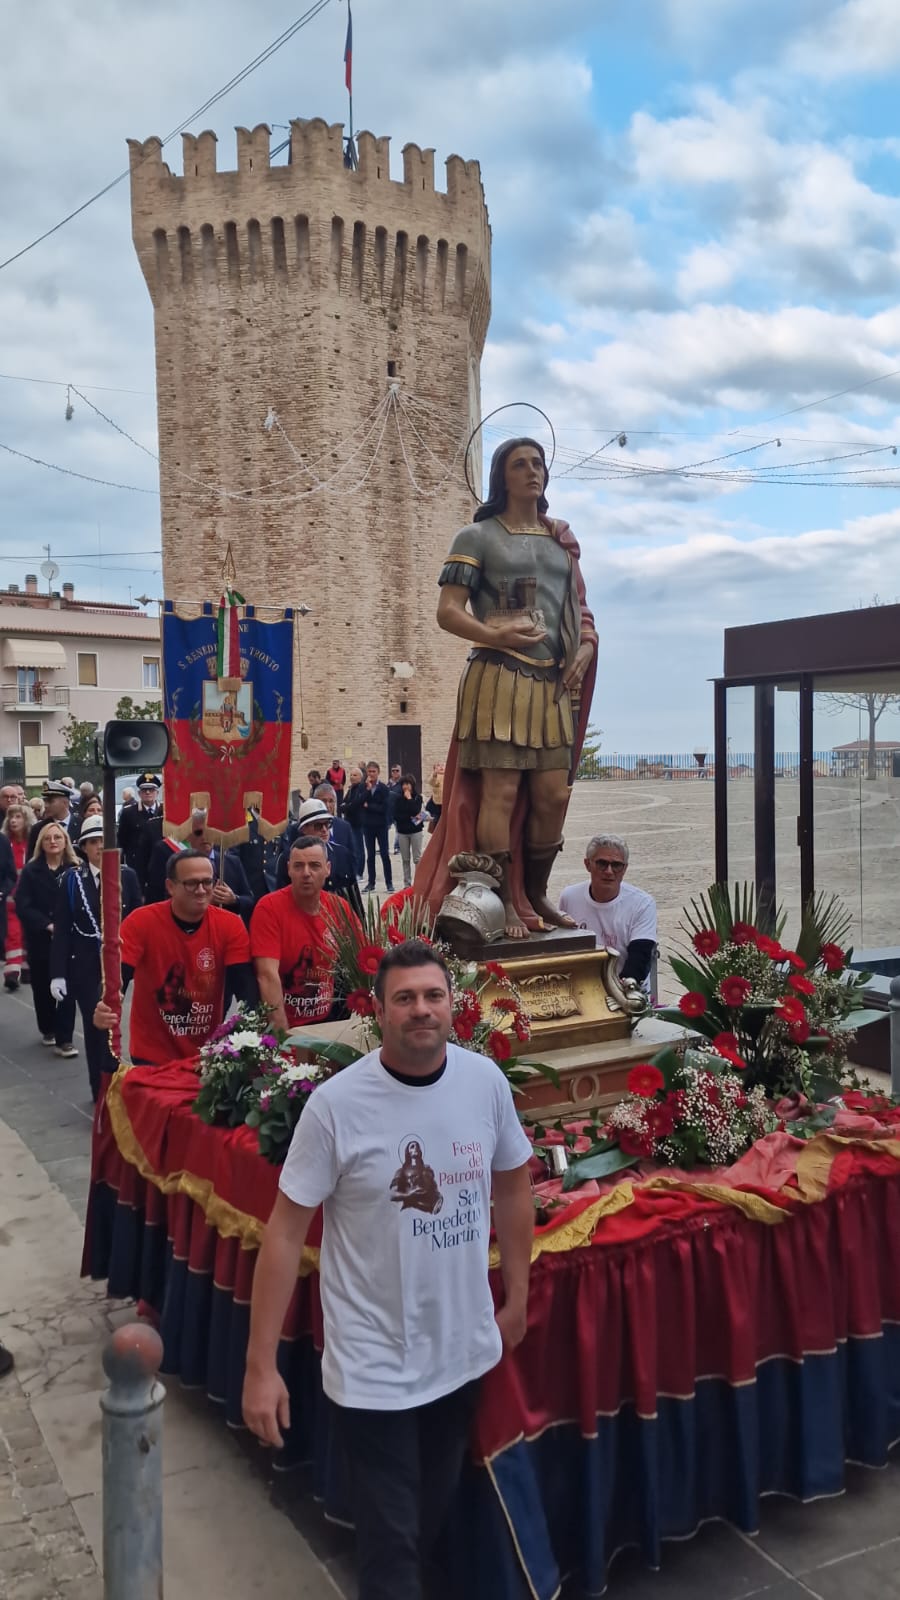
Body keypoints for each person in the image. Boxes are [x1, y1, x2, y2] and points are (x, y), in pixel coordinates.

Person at [242, 940, 534, 1600]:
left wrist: (517, 1294)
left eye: (432, 996)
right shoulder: (337, 1107)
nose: (421, 1010)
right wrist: (261, 1366)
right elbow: (284, 1233)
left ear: (454, 1005)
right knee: (392, 1552)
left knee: (426, 1523)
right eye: (404, 999)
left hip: (459, 1354)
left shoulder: (483, 1082)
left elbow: (513, 1184)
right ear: (379, 1012)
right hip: (374, 1366)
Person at [415, 437, 598, 939]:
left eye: (538, 463)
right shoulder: (477, 536)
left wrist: (586, 645)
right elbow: (448, 611)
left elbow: (579, 608)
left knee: (553, 795)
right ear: (502, 477)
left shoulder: (560, 539)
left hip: (551, 681)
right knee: (500, 793)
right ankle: (499, 901)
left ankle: (534, 891)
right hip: (498, 676)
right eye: (520, 464)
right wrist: (494, 634)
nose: (532, 471)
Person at [93, 849, 254, 1066]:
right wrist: (103, 1005)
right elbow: (116, 977)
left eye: (207, 882)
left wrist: (249, 1037)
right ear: (170, 887)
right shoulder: (141, 921)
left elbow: (245, 987)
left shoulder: (230, 925)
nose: (201, 890)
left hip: (207, 1053)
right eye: (191, 883)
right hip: (151, 1053)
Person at [50, 816, 142, 1100]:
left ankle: (119, 1082)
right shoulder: (71, 880)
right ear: (84, 847)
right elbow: (62, 929)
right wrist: (58, 973)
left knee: (119, 1024)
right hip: (85, 965)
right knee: (96, 1027)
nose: (100, 846)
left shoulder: (127, 876)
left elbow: (137, 919)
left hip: (122, 963)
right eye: (93, 842)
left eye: (104, 840)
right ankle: (100, 1089)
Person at [252, 835, 361, 1029]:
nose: (306, 873)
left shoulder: (339, 907)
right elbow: (267, 975)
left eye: (314, 865)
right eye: (298, 866)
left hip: (328, 1019)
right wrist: (282, 1035)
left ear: (328, 869)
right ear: (288, 869)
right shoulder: (269, 908)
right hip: (287, 1023)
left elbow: (364, 955)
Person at [558, 833, 657, 988]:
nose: (609, 871)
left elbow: (640, 958)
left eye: (616, 865)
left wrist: (620, 988)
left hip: (625, 988)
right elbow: (562, 950)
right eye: (602, 864)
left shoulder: (643, 903)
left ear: (625, 869)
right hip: (582, 987)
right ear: (587, 864)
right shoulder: (569, 897)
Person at [15, 824, 79, 1055]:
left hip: (69, 938)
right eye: (48, 838)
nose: (53, 841)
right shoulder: (31, 871)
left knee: (68, 989)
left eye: (57, 837)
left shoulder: (75, 869)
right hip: (41, 938)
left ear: (65, 841)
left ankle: (65, 1038)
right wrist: (45, 924)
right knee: (42, 988)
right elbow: (23, 905)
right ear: (41, 843)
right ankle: (48, 1028)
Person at [144, 808, 254, 919]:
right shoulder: (177, 865)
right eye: (198, 833)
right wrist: (203, 900)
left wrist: (234, 899)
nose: (205, 837)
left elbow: (249, 901)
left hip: (225, 925)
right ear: (187, 836)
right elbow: (158, 900)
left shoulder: (231, 862)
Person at [275, 799, 364, 919]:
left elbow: (354, 896)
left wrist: (361, 925)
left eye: (327, 824)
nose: (324, 829)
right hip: (304, 920)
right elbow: (282, 899)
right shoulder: (288, 858)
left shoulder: (342, 854)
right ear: (303, 829)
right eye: (318, 826)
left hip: (339, 921)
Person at [2, 800, 35, 988]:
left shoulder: (33, 843)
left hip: (29, 896)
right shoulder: (6, 843)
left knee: (27, 931)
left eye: (18, 817)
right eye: (11, 817)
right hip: (10, 896)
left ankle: (26, 965)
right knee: (13, 933)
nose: (13, 821)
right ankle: (12, 970)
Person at [116, 772, 163, 873]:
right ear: (139, 793)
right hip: (137, 863)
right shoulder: (128, 812)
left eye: (151, 790)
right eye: (144, 790)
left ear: (157, 793)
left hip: (159, 862)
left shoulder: (164, 811)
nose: (148, 793)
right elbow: (122, 839)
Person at [360, 761, 393, 894]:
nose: (371, 774)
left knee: (384, 854)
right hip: (368, 825)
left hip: (381, 825)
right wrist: (368, 791)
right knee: (371, 855)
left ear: (378, 772)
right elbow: (361, 802)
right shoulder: (364, 787)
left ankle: (389, 882)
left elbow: (384, 808)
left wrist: (369, 806)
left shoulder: (384, 788)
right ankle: (371, 883)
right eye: (369, 772)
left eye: (374, 771)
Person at [393, 775, 426, 890]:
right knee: (405, 859)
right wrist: (409, 816)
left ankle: (418, 882)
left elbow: (416, 811)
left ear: (412, 785)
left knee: (417, 858)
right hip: (403, 832)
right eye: (403, 784)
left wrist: (409, 799)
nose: (405, 786)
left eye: (408, 784)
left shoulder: (418, 798)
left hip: (416, 831)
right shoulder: (398, 799)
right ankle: (407, 884)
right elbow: (397, 815)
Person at [28, 781, 73, 854]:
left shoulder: (81, 825)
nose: (46, 805)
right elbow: (32, 857)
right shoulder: (38, 829)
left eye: (50, 801)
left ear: (65, 803)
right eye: (45, 801)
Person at [341, 766, 367, 880]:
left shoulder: (361, 788)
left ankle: (359, 872)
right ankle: (352, 870)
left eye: (355, 775)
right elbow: (343, 804)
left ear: (360, 777)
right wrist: (347, 806)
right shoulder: (351, 789)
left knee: (359, 848)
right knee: (351, 848)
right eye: (351, 775)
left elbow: (356, 804)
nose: (352, 777)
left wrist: (347, 806)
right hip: (349, 822)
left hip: (358, 823)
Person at [425, 762, 444, 835]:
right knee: (435, 821)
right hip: (436, 804)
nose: (441, 767)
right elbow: (432, 782)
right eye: (438, 765)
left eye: (442, 765)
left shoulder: (448, 775)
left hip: (445, 804)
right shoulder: (435, 776)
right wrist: (435, 774)